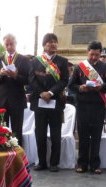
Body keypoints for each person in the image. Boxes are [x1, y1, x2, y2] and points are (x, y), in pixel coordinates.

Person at [69, 41, 106, 174]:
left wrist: (102, 87)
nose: (94, 57)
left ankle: (95, 164)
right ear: (87, 52)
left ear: (100, 54)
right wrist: (80, 88)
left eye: (96, 55)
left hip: (98, 105)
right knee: (83, 135)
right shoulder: (79, 67)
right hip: (83, 105)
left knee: (96, 136)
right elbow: (71, 85)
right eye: (91, 54)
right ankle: (82, 163)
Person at [29, 33, 69, 172]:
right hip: (39, 102)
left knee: (55, 134)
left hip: (56, 102)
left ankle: (54, 163)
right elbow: (32, 80)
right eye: (49, 42)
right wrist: (41, 93)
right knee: (40, 134)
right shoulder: (35, 61)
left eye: (55, 42)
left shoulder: (63, 61)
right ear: (44, 45)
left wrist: (51, 93)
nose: (53, 44)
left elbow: (64, 80)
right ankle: (41, 162)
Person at [0, 33, 30, 145]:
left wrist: (16, 76)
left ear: (16, 44)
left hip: (17, 100)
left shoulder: (24, 59)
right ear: (4, 45)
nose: (9, 46)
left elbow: (28, 80)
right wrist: (0, 74)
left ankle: (18, 158)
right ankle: (5, 157)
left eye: (11, 44)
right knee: (2, 131)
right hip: (1, 101)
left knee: (17, 131)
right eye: (7, 44)